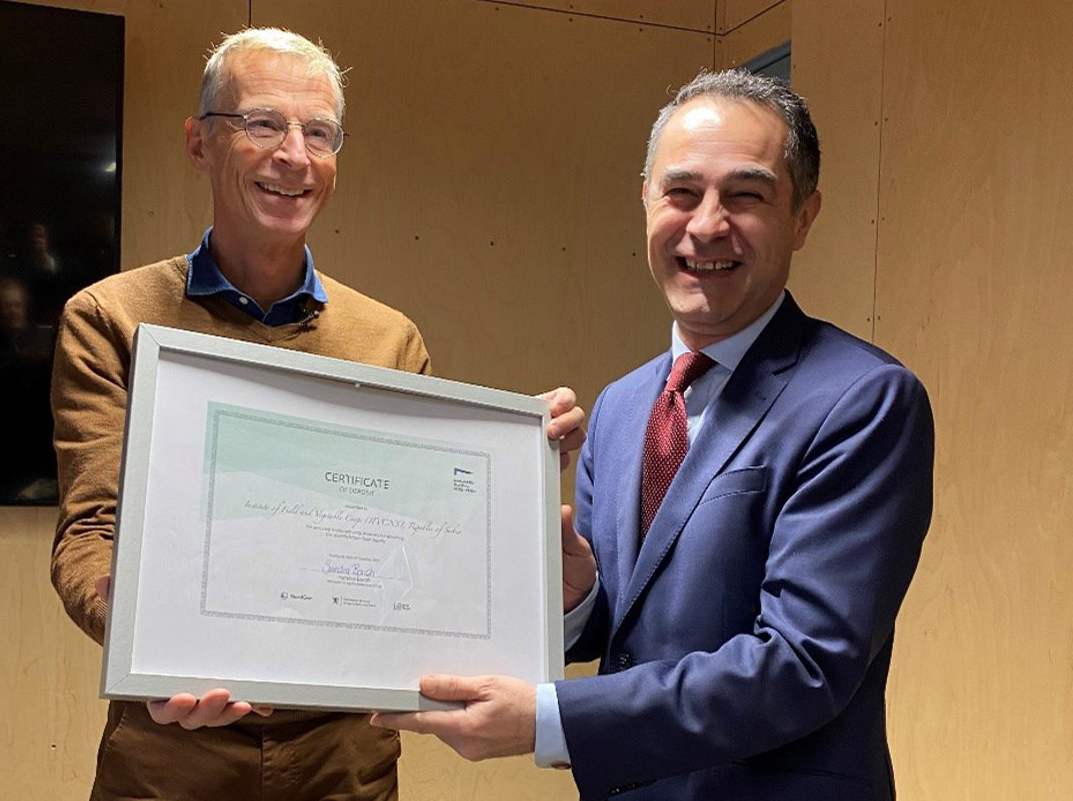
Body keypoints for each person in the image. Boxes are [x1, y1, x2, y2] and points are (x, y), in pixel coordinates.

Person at [50, 27, 584, 801]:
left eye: (320, 133)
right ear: (199, 143)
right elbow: (91, 531)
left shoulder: (389, 338)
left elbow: (419, 546)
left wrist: (510, 475)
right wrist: (146, 635)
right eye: (263, 124)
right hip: (171, 755)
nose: (294, 155)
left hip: (346, 765)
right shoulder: (112, 318)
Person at [371, 69, 934, 800]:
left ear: (803, 217)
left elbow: (803, 664)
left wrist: (549, 721)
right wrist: (575, 593)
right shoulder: (621, 404)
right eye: (682, 192)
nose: (707, 225)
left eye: (746, 195)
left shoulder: (863, 400)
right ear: (645, 201)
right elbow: (624, 628)